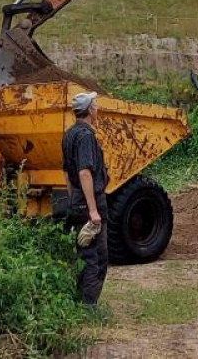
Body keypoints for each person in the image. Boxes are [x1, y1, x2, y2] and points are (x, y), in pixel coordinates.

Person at [62, 91, 110, 306]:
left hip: (77, 202)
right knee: (97, 258)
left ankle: (79, 301)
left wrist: (75, 200)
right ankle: (89, 308)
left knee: (84, 254)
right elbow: (84, 172)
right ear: (90, 109)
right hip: (91, 203)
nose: (97, 108)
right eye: (96, 105)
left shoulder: (69, 134)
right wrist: (92, 210)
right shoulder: (86, 136)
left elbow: (66, 172)